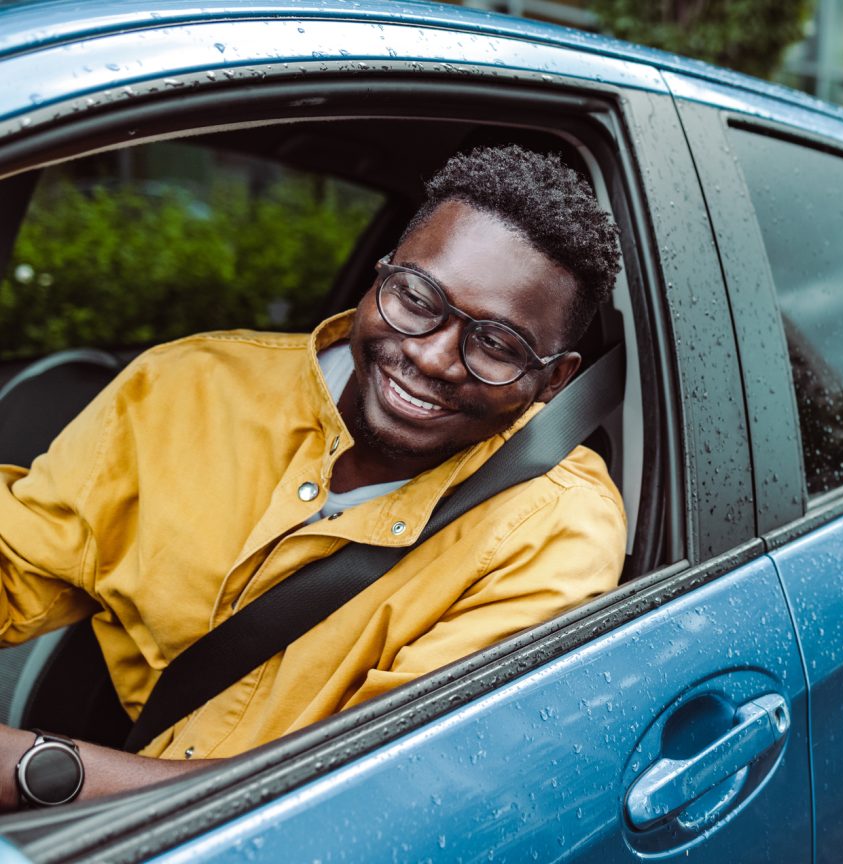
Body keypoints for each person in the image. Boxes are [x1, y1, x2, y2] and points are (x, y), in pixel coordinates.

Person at [0, 144, 627, 809]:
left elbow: (372, 793)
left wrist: (35, 769)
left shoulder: (555, 531)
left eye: (497, 344)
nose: (433, 357)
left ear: (553, 380)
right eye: (417, 298)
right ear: (383, 275)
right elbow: (20, 565)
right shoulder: (184, 387)